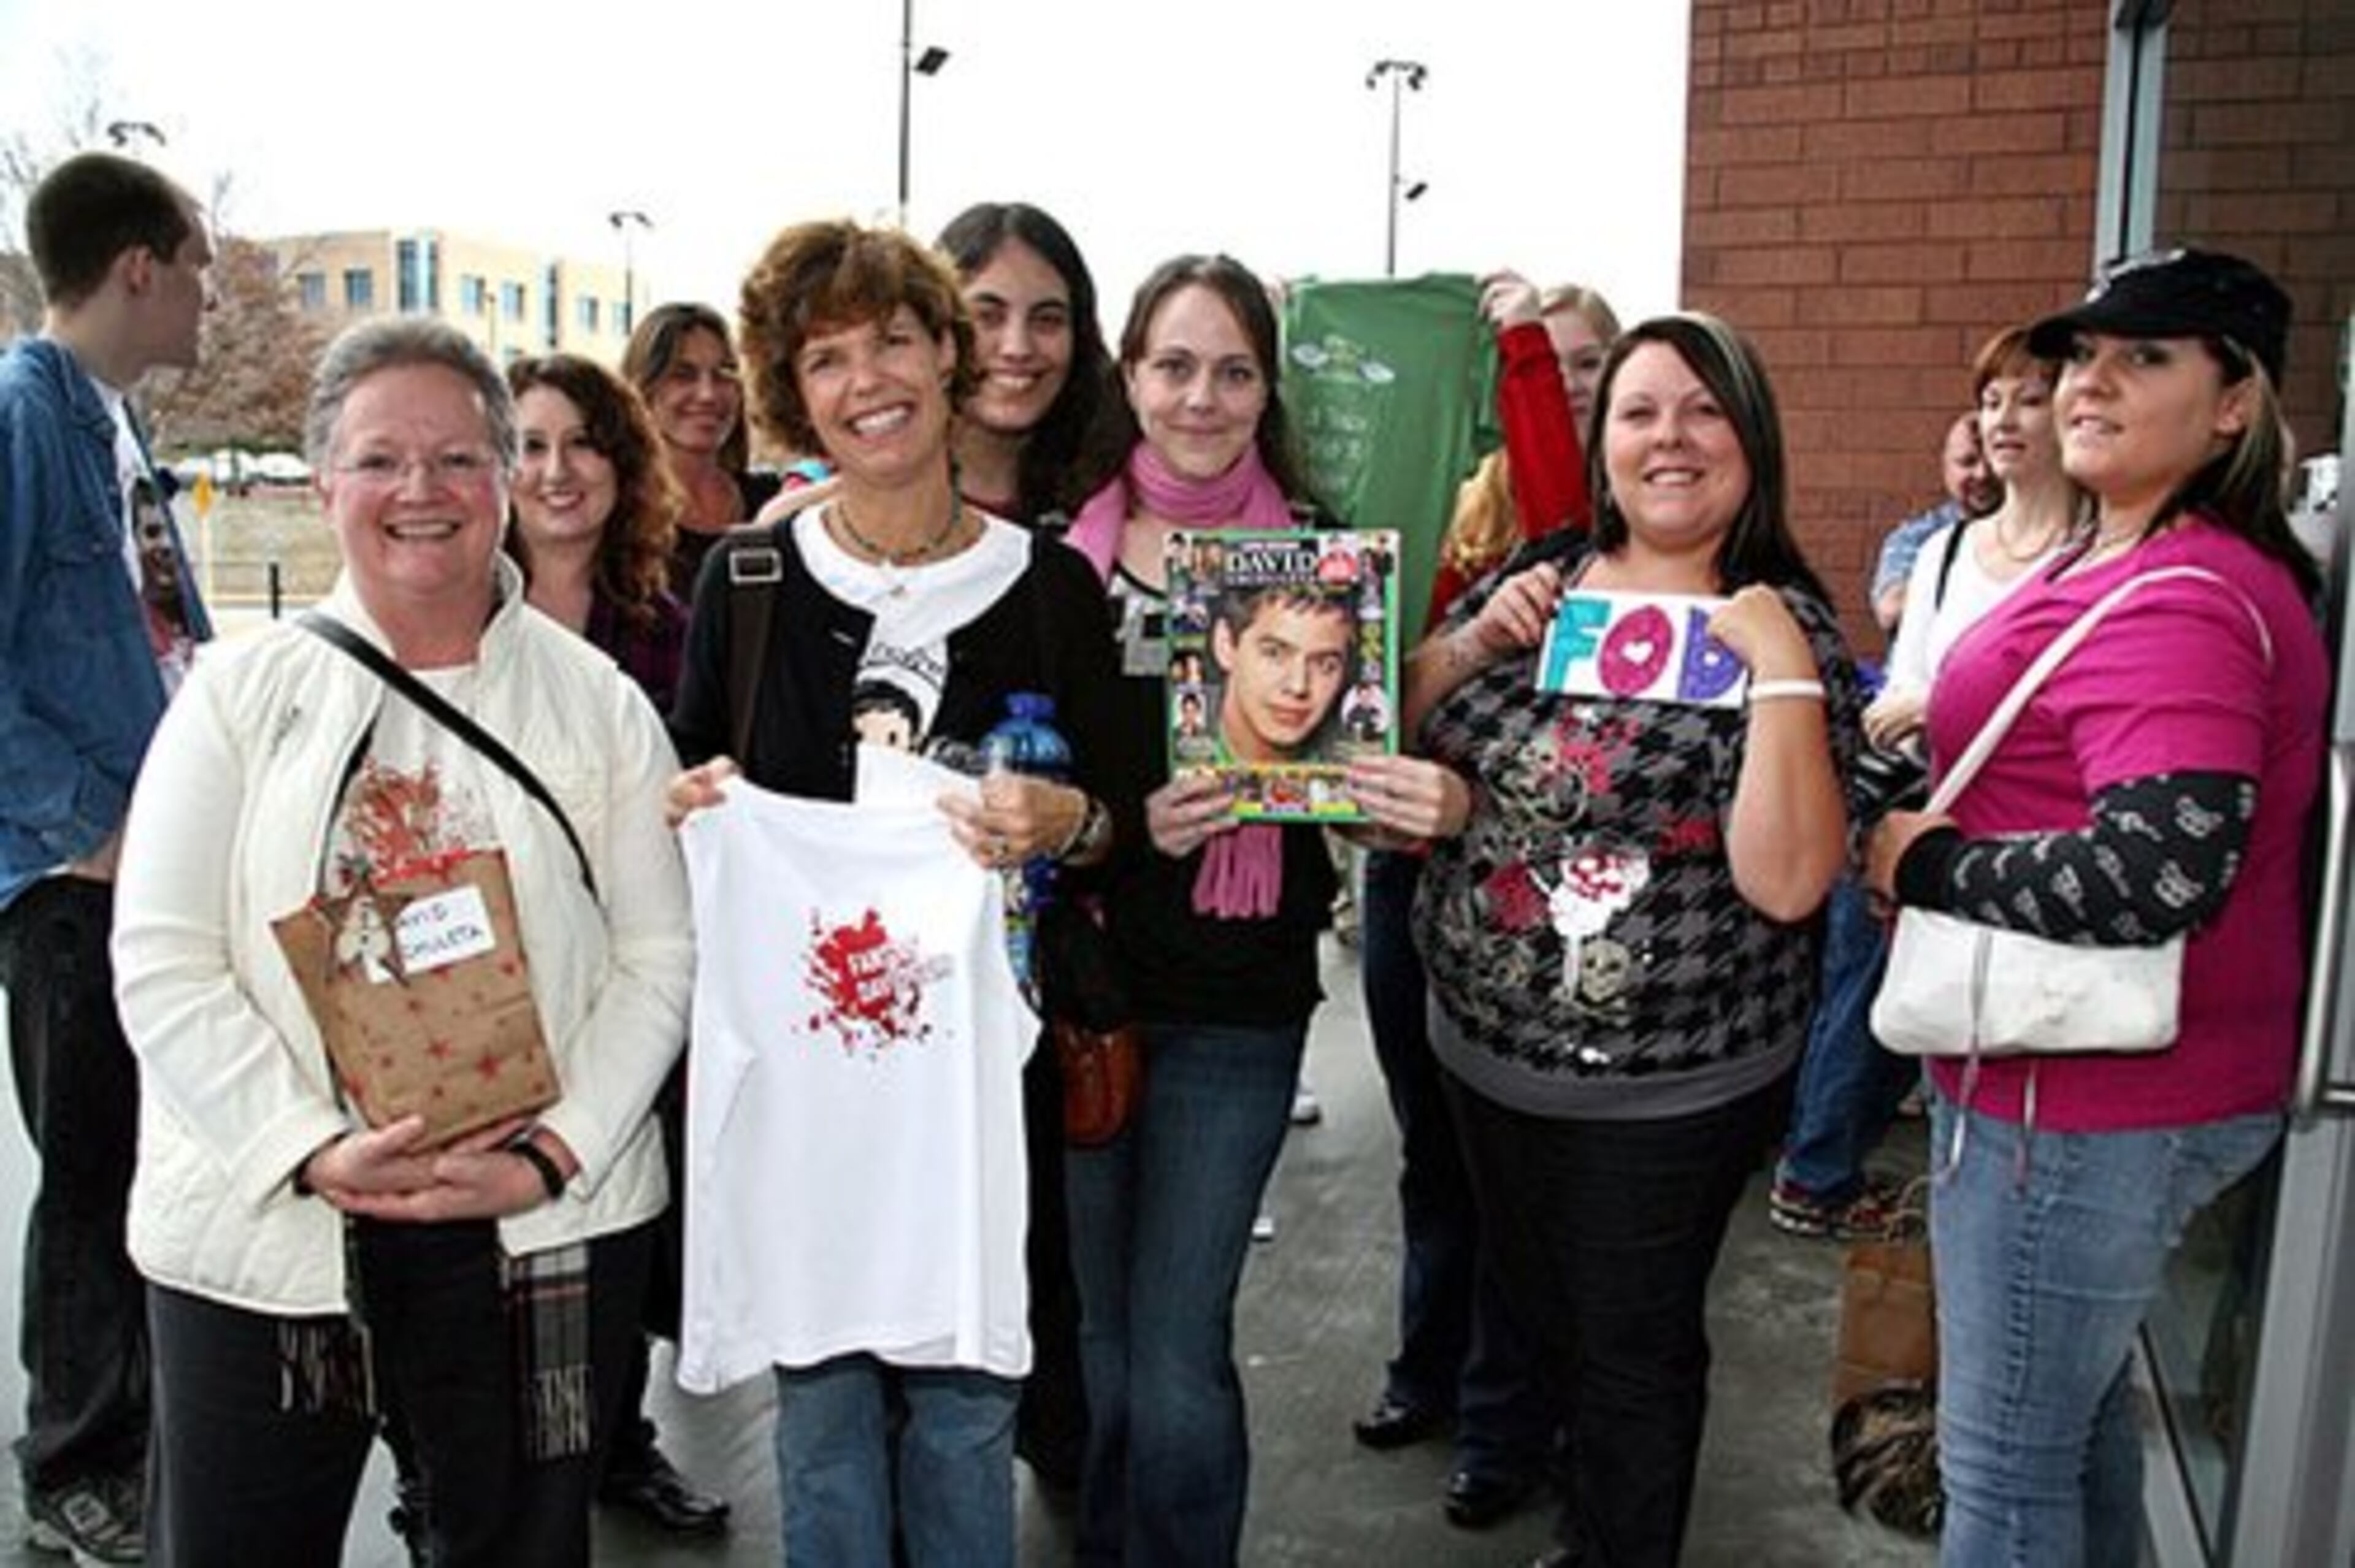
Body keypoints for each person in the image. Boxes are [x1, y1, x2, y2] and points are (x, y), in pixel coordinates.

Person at [109, 316, 693, 1566]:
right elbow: (162, 962)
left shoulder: (601, 705)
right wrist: (311, 1149)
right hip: (271, 1245)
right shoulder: (237, 701)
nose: (420, 491)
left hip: (540, 1233)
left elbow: (658, 960)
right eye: (381, 460)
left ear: (503, 482)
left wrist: (551, 1155)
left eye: (459, 458)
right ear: (326, 485)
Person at [663, 218, 1127, 1568]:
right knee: (818, 1419)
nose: (868, 379)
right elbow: (698, 781)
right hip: (811, 1089)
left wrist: (1073, 819)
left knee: (968, 1414)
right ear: (790, 392)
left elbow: (1119, 833)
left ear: (947, 354)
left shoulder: (1048, 587)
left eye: (895, 341)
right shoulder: (744, 581)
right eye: (825, 358)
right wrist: (692, 808)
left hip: (977, 1081)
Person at [1864, 250, 2325, 1567]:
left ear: (2234, 404)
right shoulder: (2133, 559)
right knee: (2068, 1439)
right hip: (2079, 1094)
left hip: (2073, 1106)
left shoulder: (2180, 595)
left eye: (2148, 356)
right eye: (2084, 355)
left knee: (2002, 1477)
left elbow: (2159, 871)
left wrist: (1925, 867)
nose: (2093, 380)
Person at [1405, 312, 1858, 1568]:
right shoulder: (1543, 581)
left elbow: (1787, 881)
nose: (1671, 437)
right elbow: (1381, 723)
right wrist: (1468, 645)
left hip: (1668, 1093)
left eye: (1705, 409)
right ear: (1603, 443)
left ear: (1752, 441)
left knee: (1630, 1358)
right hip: (1485, 1058)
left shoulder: (1785, 627)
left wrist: (1775, 670)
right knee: (1549, 1320)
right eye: (1642, 410)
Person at [1059, 252, 1464, 1567]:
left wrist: (1372, 796)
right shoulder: (1067, 551)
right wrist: (1128, 822)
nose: (1202, 396)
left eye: (1233, 370)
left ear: (1266, 389)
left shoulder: (1318, 548)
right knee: (1100, 1338)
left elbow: (1338, 797)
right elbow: (1024, 763)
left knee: (1178, 1342)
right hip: (1082, 985)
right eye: (1174, 365)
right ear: (1129, 377)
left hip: (1238, 997)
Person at [1350, 271, 1621, 1532]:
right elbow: (1379, 692)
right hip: (1411, 871)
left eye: (1582, 364)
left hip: (1537, 901)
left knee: (1517, 1171)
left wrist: (1513, 332)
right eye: (1538, 364)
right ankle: (1431, 1370)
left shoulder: (1610, 536)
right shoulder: (1452, 518)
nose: (1558, 385)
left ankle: (1507, 1418)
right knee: (1434, 1155)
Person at [0, 150, 215, 1566]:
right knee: (89, 1179)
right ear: (138, 266)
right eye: (197, 265)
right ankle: (77, 1462)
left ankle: (139, 1443)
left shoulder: (115, 427)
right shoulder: (23, 419)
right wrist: (90, 821)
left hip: (147, 873)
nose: (208, 294)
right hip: (75, 887)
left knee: (144, 1165)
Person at [1769, 325, 2076, 1244]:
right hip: (1912, 817)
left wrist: (1942, 705)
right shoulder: (1943, 550)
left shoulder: (2102, 557)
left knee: (1990, 1031)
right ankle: (1820, 1170)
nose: (2005, 419)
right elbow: (1901, 688)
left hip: (2020, 844)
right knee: (1871, 996)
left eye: (2029, 397)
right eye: (1991, 400)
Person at [502, 353, 729, 1534]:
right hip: (483, 988)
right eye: (529, 443)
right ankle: (455, 1476)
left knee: (613, 1235)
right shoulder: (449, 614)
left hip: (627, 986)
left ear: (622, 464)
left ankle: (611, 1444)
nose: (555, 470)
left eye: (582, 442)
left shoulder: (668, 626)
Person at [935, 200, 1122, 1494]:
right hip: (899, 994)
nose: (1018, 344)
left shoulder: (1105, 511)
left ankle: (1055, 1455)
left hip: (1065, 977)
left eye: (1048, 316)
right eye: (987, 310)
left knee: (1052, 1267)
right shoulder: (841, 526)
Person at [936, 201, 1121, 525]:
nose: (1017, 348)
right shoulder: (858, 503)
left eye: (1047, 320)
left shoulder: (1119, 502)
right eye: (988, 317)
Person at [622, 301, 783, 596]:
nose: (708, 394)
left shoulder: (777, 503)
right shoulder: (620, 519)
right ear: (643, 389)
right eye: (683, 375)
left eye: (724, 373)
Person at [1869, 410, 2001, 634]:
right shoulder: (1917, 537)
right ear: (1946, 467)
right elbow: (1892, 610)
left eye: (1993, 461)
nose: (1982, 474)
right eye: (1967, 462)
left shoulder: (2040, 534)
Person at [1206, 580, 1356, 763]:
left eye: (1326, 665)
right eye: (1274, 653)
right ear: (1226, 646)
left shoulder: (1354, 754)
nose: (1298, 686)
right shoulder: (1176, 741)